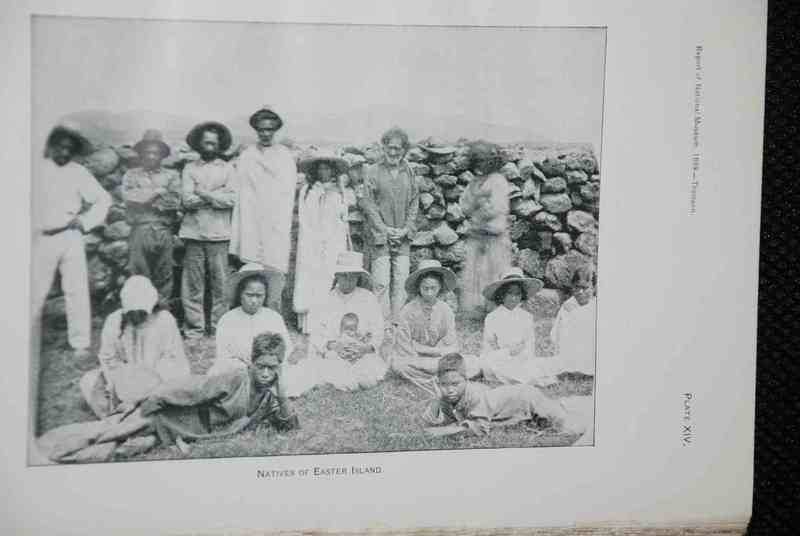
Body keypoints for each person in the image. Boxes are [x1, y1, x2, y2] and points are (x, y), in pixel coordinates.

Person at [40, 332, 299, 463]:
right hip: (169, 411)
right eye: (261, 366)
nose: (266, 373)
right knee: (111, 433)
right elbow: (193, 389)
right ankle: (57, 450)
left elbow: (288, 426)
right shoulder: (234, 378)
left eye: (272, 368)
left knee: (127, 449)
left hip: (185, 431)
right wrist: (154, 397)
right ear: (252, 363)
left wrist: (283, 391)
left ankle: (71, 459)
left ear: (279, 367)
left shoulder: (268, 398)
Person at [32, 124, 112, 357]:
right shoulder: (35, 169)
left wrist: (86, 221)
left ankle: (79, 344)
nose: (64, 153)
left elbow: (103, 200)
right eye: (60, 147)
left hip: (70, 235)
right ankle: (25, 341)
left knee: (76, 289)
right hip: (40, 238)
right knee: (35, 289)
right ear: (49, 145)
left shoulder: (78, 172)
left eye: (69, 149)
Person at [79, 275, 191, 419]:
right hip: (124, 384)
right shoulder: (113, 321)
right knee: (88, 382)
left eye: (142, 313)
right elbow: (108, 359)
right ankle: (120, 415)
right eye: (132, 313)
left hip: (157, 382)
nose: (137, 317)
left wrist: (146, 388)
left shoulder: (165, 320)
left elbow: (173, 361)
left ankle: (142, 414)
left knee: (177, 389)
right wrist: (120, 384)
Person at [285, 251, 386, 396]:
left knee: (368, 378)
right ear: (337, 275)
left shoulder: (368, 298)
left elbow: (378, 330)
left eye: (353, 276)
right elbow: (316, 333)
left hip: (361, 352)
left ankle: (353, 375)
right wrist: (334, 345)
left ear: (358, 277)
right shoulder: (325, 299)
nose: (348, 280)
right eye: (344, 275)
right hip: (334, 353)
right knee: (329, 371)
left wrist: (364, 347)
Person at [421, 353, 585, 441]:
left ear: (467, 379)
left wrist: (442, 432)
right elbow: (446, 421)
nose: (449, 390)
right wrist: (436, 401)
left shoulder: (476, 395)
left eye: (455, 384)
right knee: (540, 424)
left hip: (526, 398)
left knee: (566, 425)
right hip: (510, 409)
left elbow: (479, 429)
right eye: (444, 385)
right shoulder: (445, 397)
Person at [230, 107, 297, 313]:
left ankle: (273, 314)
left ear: (275, 130)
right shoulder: (247, 155)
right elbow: (241, 190)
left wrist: (275, 216)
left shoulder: (284, 156)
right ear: (256, 130)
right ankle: (249, 312)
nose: (265, 133)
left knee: (274, 268)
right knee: (252, 268)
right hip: (251, 220)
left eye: (269, 129)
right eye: (261, 129)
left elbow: (288, 191)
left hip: (275, 220)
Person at [179, 121, 236, 340]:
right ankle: (194, 329)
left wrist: (204, 194)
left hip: (220, 234)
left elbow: (232, 199)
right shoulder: (190, 168)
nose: (209, 147)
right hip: (193, 233)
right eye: (205, 143)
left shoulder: (228, 168)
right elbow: (187, 200)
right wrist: (215, 195)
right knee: (193, 284)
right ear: (199, 145)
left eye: (213, 143)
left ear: (219, 145)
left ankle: (218, 327)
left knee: (220, 283)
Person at [390, 260, 480, 396]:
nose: (429, 293)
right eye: (425, 288)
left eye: (433, 288)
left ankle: (436, 377)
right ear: (418, 287)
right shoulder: (407, 311)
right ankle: (444, 378)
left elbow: (452, 347)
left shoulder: (446, 310)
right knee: (398, 365)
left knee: (474, 363)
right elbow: (404, 348)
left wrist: (427, 350)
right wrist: (419, 354)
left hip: (439, 359)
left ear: (440, 288)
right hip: (415, 360)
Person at [358, 127, 419, 321]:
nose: (393, 153)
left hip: (403, 236)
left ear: (404, 150)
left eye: (398, 149)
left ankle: (397, 322)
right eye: (389, 148)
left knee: (401, 280)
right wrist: (385, 229)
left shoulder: (409, 172)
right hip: (380, 236)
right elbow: (368, 203)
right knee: (381, 282)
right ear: (383, 147)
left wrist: (406, 229)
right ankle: (380, 323)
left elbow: (414, 202)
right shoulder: (373, 171)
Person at [121, 130, 182, 302]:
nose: (151, 156)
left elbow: (174, 202)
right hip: (140, 229)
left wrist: (145, 197)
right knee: (138, 274)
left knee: (164, 274)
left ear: (162, 155)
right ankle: (139, 312)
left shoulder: (172, 175)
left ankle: (161, 314)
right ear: (141, 154)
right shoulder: (131, 175)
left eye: (156, 152)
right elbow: (130, 198)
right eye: (147, 152)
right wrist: (157, 192)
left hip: (163, 230)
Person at [293, 153, 349, 333]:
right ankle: (308, 323)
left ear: (333, 170)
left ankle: (327, 322)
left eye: (327, 168)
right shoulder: (308, 191)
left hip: (333, 242)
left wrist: (335, 240)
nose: (323, 171)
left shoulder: (338, 192)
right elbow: (304, 217)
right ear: (314, 171)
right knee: (310, 279)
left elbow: (342, 218)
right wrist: (313, 239)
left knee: (328, 279)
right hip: (311, 242)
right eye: (320, 168)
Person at [209, 263, 295, 377]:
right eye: (249, 295)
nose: (254, 300)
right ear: (240, 294)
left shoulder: (273, 318)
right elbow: (223, 354)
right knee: (220, 373)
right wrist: (243, 365)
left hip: (267, 367)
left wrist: (267, 362)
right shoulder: (227, 319)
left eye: (259, 296)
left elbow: (286, 347)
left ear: (265, 295)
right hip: (237, 368)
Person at [459, 140, 512, 319]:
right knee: (477, 274)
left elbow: (497, 207)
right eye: (477, 161)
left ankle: (497, 310)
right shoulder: (474, 182)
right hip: (477, 236)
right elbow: (464, 205)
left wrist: (480, 206)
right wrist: (477, 201)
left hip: (494, 236)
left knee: (495, 273)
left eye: (484, 161)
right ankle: (480, 311)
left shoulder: (498, 181)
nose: (481, 165)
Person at [479, 268, 558, 386]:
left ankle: (527, 377)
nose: (514, 298)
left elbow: (529, 348)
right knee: (489, 366)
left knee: (543, 364)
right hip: (500, 362)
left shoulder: (527, 317)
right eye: (509, 293)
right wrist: (508, 352)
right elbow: (488, 351)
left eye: (517, 294)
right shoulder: (492, 318)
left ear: (522, 295)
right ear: (501, 294)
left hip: (522, 361)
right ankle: (531, 379)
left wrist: (521, 356)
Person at [550, 265, 597, 377]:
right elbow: (557, 336)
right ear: (572, 287)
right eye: (576, 287)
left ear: (593, 288)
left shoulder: (596, 307)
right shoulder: (567, 307)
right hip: (569, 355)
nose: (580, 292)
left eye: (585, 288)